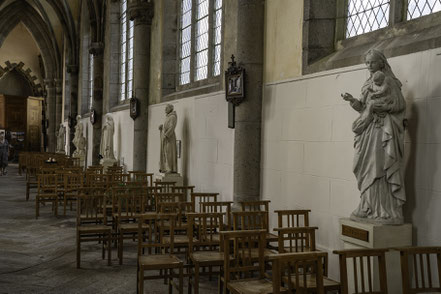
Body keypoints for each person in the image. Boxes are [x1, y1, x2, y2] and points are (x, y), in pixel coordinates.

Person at [341, 49, 406, 224]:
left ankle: (385, 210)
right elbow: (362, 107)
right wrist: (352, 101)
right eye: (367, 63)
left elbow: (400, 104)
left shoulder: (390, 82)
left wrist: (382, 108)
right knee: (364, 165)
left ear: (381, 63)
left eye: (372, 62)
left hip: (383, 130)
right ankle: (366, 206)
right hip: (368, 129)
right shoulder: (367, 83)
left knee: (380, 166)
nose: (369, 66)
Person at [159, 104, 177, 173]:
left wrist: (166, 135)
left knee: (169, 153)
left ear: (170, 108)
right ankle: (166, 167)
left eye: (166, 108)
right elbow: (166, 127)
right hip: (165, 138)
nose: (165, 109)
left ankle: (170, 168)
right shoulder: (167, 117)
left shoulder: (172, 117)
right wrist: (161, 128)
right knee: (165, 153)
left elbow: (172, 127)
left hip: (169, 138)